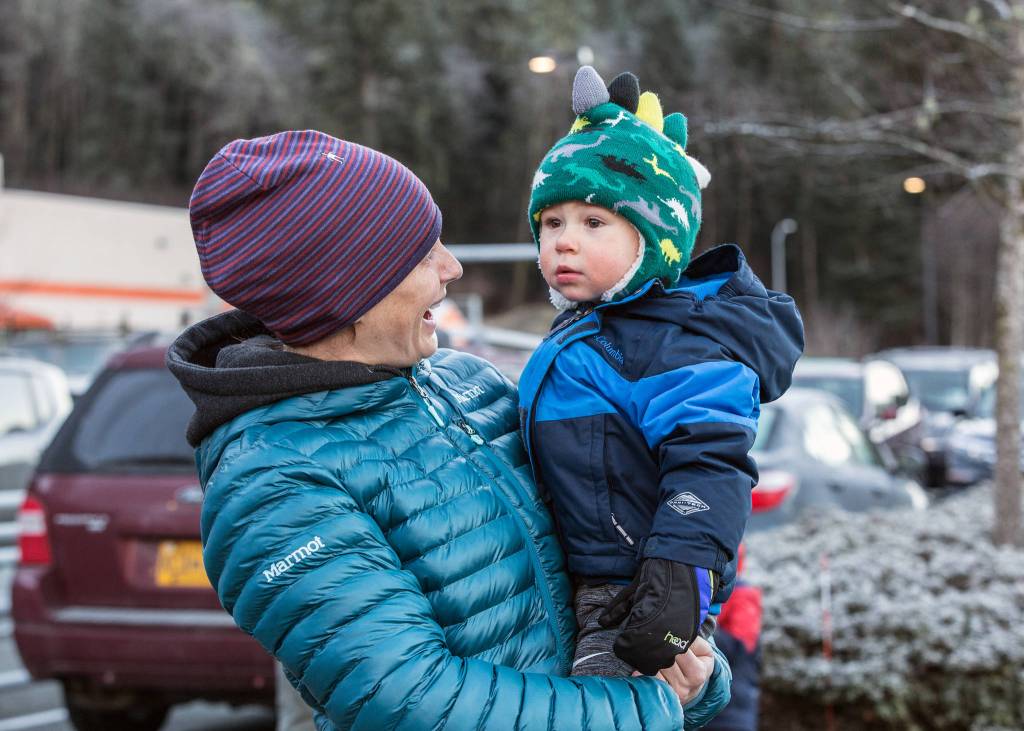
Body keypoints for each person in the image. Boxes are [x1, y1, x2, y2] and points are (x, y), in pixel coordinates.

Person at [167, 129, 733, 730]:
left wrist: (690, 669)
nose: (452, 267)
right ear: (345, 290)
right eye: (419, 253)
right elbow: (415, 704)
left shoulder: (471, 385)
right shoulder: (272, 483)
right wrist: (647, 710)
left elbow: (610, 546)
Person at [517, 68, 803, 679]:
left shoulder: (673, 343)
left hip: (638, 587)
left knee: (606, 713)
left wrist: (680, 570)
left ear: (654, 240)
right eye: (552, 223)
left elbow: (711, 459)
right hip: (576, 576)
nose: (564, 242)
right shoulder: (584, 332)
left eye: (594, 223)